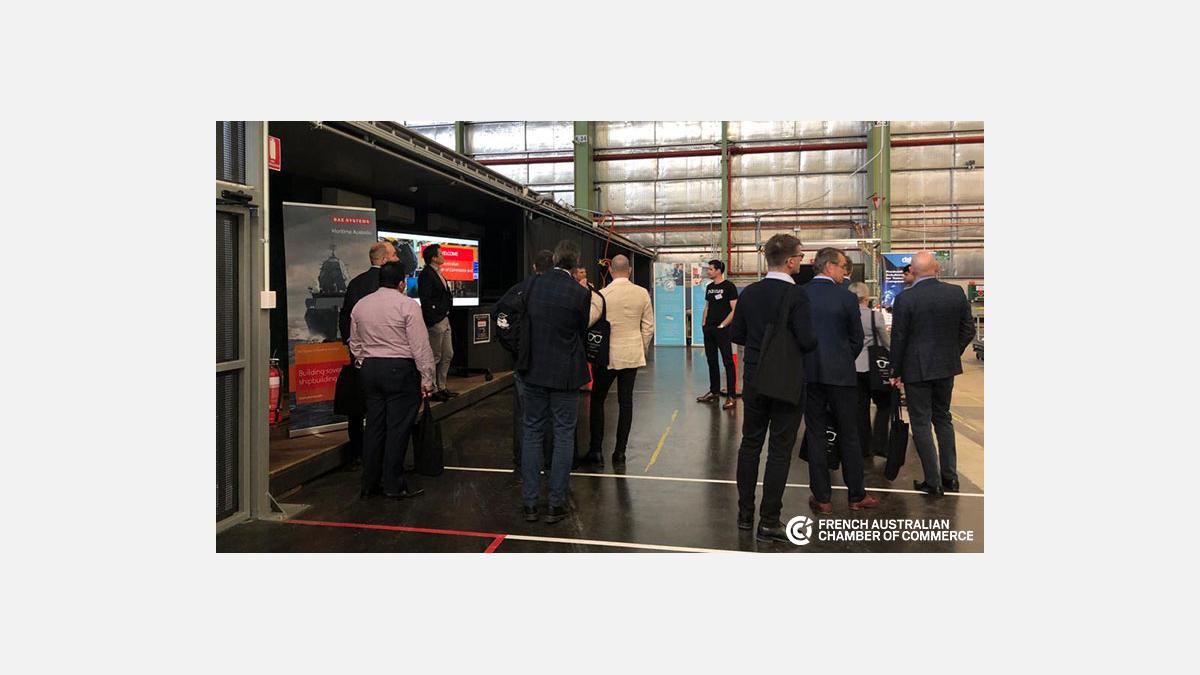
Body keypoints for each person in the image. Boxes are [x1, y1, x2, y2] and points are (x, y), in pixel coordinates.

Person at [729, 234, 818, 542]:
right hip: (786, 379)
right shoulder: (798, 296)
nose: (802, 261)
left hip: (754, 377)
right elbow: (808, 340)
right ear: (791, 261)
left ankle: (744, 514)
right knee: (779, 450)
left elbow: (737, 334)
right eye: (801, 256)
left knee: (750, 444)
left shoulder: (750, 292)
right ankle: (769, 520)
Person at [520, 239, 596, 524]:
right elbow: (581, 330)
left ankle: (529, 503)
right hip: (566, 373)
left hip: (533, 370)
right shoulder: (580, 293)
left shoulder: (532, 285)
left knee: (532, 432)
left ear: (553, 258)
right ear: (575, 264)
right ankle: (556, 503)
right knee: (564, 435)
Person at [888, 251, 976, 495]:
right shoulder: (955, 293)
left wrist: (895, 370)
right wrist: (952, 352)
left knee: (921, 423)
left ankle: (933, 481)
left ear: (912, 271)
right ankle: (951, 477)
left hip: (916, 369)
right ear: (936, 268)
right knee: (943, 418)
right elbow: (968, 330)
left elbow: (899, 338)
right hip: (946, 368)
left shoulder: (905, 299)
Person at [348, 261, 436, 501]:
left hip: (370, 369)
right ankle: (393, 484)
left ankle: (369, 483)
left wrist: (363, 362)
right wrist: (427, 378)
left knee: (374, 427)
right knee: (398, 428)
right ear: (402, 283)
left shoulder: (361, 305)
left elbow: (354, 342)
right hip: (399, 370)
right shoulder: (407, 305)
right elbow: (419, 346)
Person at [802, 247, 879, 514]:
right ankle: (856, 495)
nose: (845, 272)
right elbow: (856, 339)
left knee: (816, 434)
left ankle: (822, 498)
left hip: (810, 375)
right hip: (842, 376)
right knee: (849, 434)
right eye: (844, 266)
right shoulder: (846, 298)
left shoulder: (800, 294)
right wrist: (843, 360)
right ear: (829, 266)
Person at [581, 255, 654, 468]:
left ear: (611, 271)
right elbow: (648, 327)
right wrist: (641, 349)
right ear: (629, 271)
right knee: (626, 402)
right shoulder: (642, 293)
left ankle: (596, 451)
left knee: (598, 400)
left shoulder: (602, 294)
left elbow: (588, 322)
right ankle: (620, 452)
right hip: (632, 354)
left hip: (607, 356)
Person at [337, 241, 398, 468]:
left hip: (359, 356)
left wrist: (353, 347)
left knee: (357, 407)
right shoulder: (389, 286)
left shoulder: (355, 283)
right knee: (382, 408)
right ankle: (381, 456)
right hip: (386, 358)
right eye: (394, 255)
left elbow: (345, 318)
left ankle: (358, 453)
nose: (397, 259)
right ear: (383, 259)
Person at [496, 249, 555, 475]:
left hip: (524, 365)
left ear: (534, 267)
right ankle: (549, 462)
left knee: (525, 415)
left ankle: (523, 463)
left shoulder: (519, 289)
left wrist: (518, 349)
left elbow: (501, 320)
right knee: (551, 414)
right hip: (551, 363)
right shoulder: (558, 292)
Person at [849, 281, 892, 459]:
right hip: (874, 367)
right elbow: (886, 342)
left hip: (854, 367)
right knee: (884, 405)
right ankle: (880, 444)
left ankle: (863, 446)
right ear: (866, 297)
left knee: (861, 408)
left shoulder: (848, 316)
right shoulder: (875, 317)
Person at [696, 259, 739, 410]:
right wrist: (704, 323)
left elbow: (735, 309)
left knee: (728, 362)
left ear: (719, 270)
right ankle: (714, 392)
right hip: (709, 329)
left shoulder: (729, 286)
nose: (708, 271)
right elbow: (707, 307)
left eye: (710, 269)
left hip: (723, 330)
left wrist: (723, 325)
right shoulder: (709, 287)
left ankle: (731, 396)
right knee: (711, 361)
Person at [418, 244, 457, 402]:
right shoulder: (426, 274)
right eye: (440, 254)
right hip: (436, 320)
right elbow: (426, 300)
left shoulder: (438, 272)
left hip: (444, 319)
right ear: (433, 258)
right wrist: (434, 318)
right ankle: (432, 389)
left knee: (448, 354)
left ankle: (442, 386)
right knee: (435, 356)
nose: (443, 256)